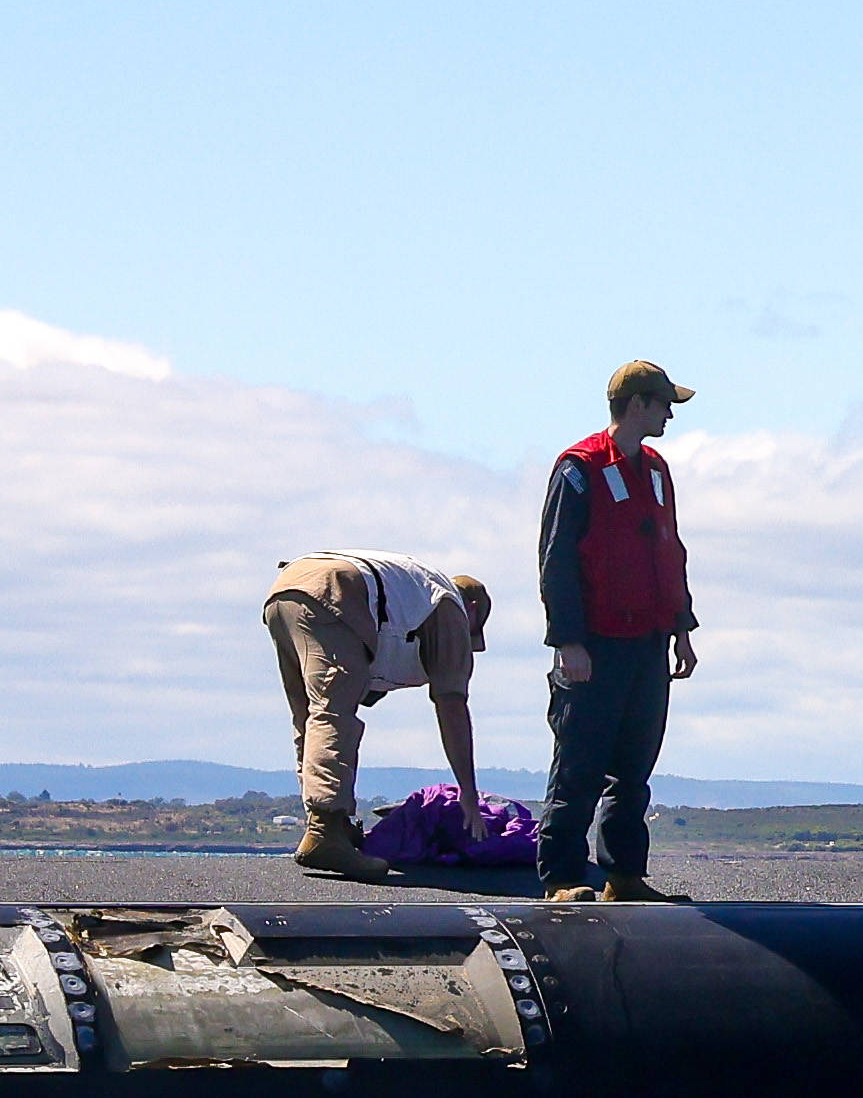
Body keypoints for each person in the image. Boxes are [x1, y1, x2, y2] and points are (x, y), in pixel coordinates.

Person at [537, 358, 704, 906]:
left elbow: (668, 551)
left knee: (634, 766)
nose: (669, 417)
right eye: (664, 406)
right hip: (596, 643)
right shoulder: (578, 468)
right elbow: (556, 558)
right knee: (580, 763)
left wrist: (682, 626)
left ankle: (624, 875)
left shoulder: (655, 469)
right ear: (638, 405)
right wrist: (568, 641)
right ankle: (561, 877)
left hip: (648, 640)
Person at [256, 549, 497, 881]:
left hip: (287, 590)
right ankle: (326, 831)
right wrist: (468, 794)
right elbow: (452, 706)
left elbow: (370, 684)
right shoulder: (449, 606)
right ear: (472, 611)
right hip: (336, 590)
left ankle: (332, 826)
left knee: (309, 718)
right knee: (332, 712)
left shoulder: (414, 593)